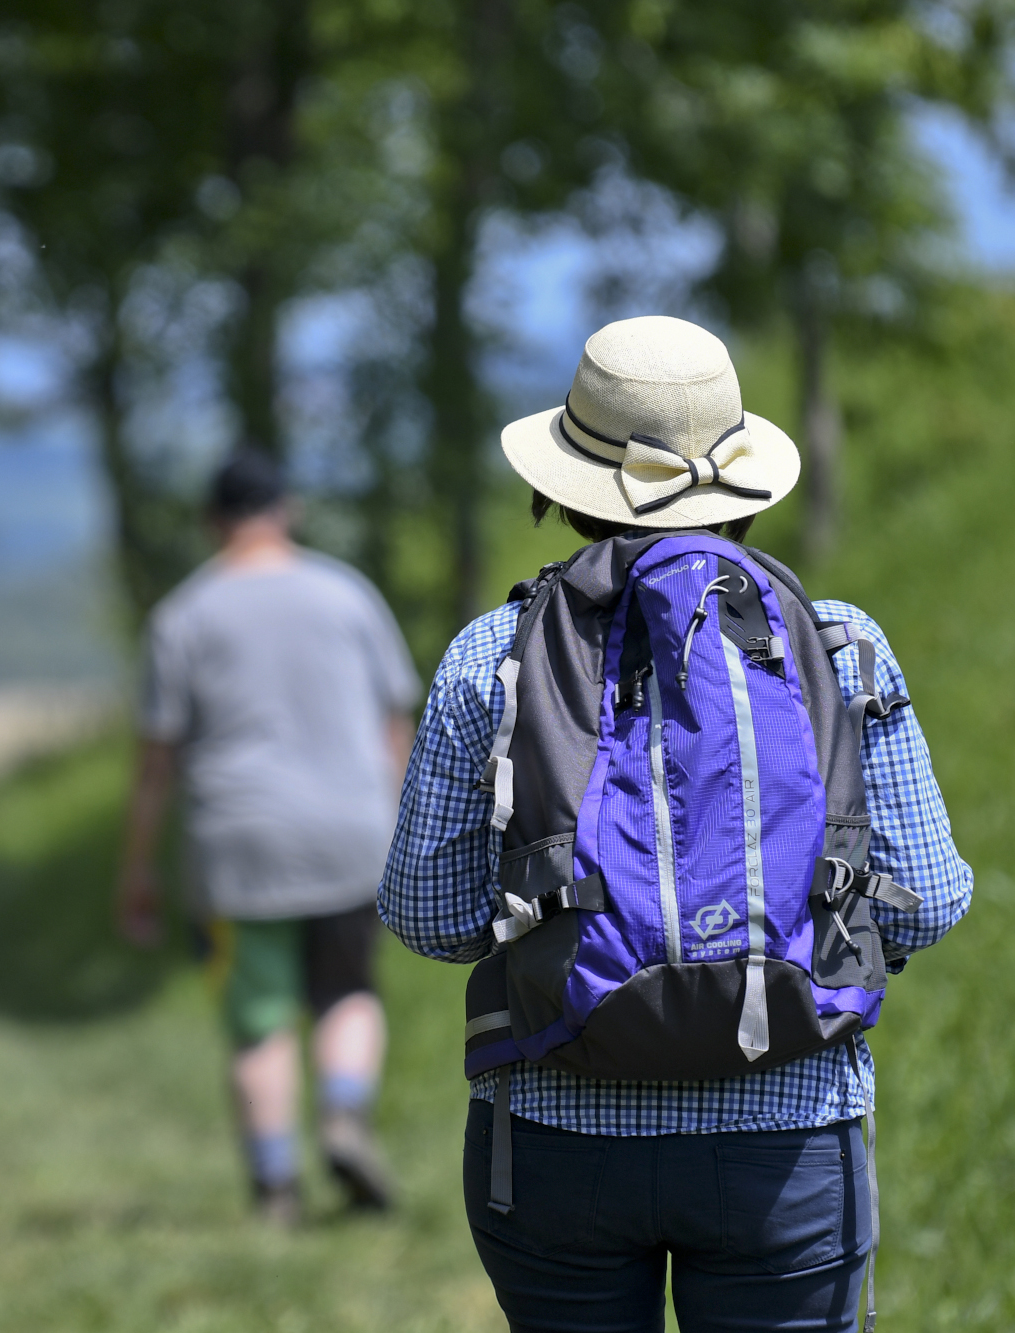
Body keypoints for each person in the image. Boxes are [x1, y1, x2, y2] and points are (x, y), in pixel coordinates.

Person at [381, 315, 972, 1332]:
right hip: (787, 1130)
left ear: (565, 483)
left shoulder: (492, 654)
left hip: (555, 1130)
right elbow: (923, 907)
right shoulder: (842, 644)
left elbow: (425, 915)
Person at [116, 450, 421, 1224]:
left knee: (257, 1018)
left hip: (239, 843)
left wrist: (139, 868)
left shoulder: (182, 615)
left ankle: (275, 1185)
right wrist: (412, 824)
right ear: (287, 509)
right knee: (348, 991)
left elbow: (157, 761)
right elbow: (396, 725)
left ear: (213, 521)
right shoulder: (347, 593)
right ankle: (345, 1115)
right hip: (352, 832)